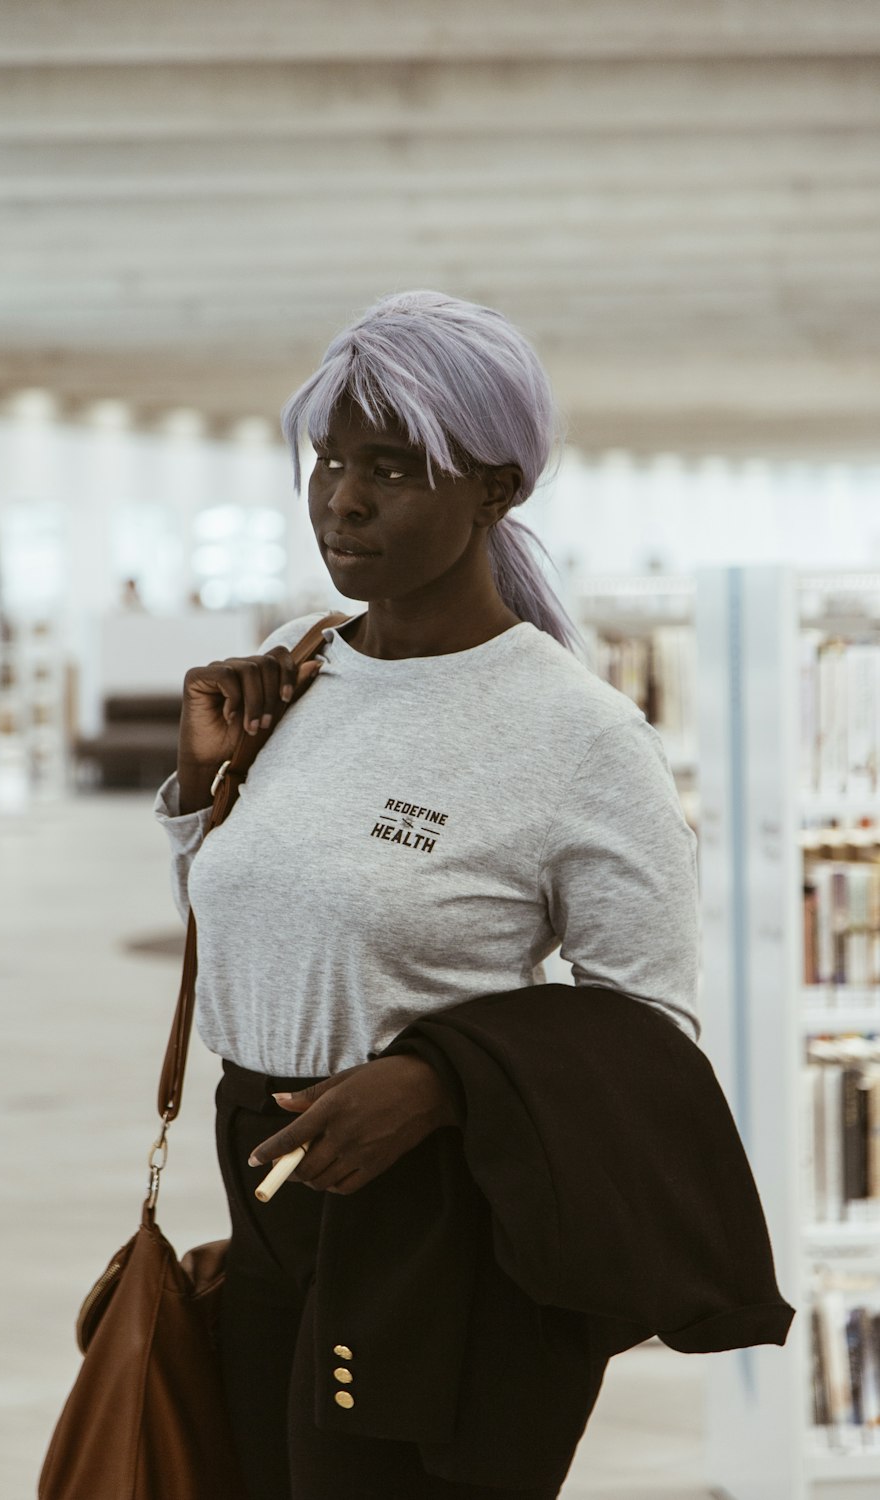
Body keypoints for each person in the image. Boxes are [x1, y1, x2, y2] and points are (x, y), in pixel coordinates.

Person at [153, 290, 701, 1498]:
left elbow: (650, 1027)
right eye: (330, 460)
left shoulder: (577, 735)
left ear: (496, 489)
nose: (342, 499)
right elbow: (251, 917)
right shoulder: (297, 665)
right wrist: (201, 791)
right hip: (261, 1185)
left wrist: (440, 1081)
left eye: (392, 468)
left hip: (434, 1219)